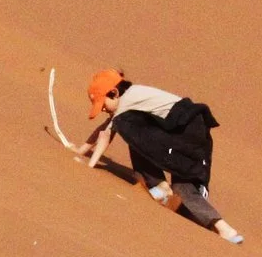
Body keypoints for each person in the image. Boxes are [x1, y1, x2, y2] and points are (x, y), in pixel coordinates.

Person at [82, 69, 243, 244]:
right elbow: (104, 128)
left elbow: (106, 135)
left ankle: (159, 186)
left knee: (128, 129)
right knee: (184, 188)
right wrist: (81, 150)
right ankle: (225, 230)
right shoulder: (132, 97)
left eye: (103, 105)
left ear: (114, 93)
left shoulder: (126, 105)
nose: (103, 109)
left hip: (183, 131)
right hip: (194, 132)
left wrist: (90, 165)